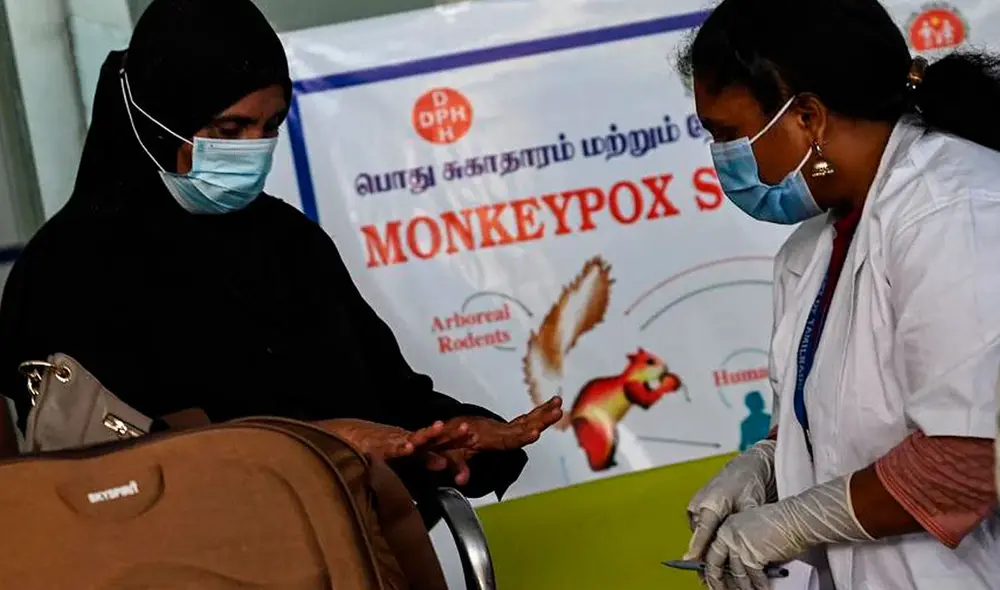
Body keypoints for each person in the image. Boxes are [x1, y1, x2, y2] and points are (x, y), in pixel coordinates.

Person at [0, 0, 562, 508]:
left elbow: (383, 398)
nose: (255, 150)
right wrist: (316, 444)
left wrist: (447, 437)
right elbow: (93, 477)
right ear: (154, 121)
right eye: (229, 129)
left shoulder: (289, 242)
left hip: (342, 546)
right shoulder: (67, 273)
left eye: (270, 127)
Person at [677, 1, 1000, 588]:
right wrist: (767, 464)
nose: (723, 160)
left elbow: (972, 459)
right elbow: (840, 421)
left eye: (727, 135)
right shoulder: (814, 247)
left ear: (807, 117)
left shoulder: (954, 213)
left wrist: (795, 522)